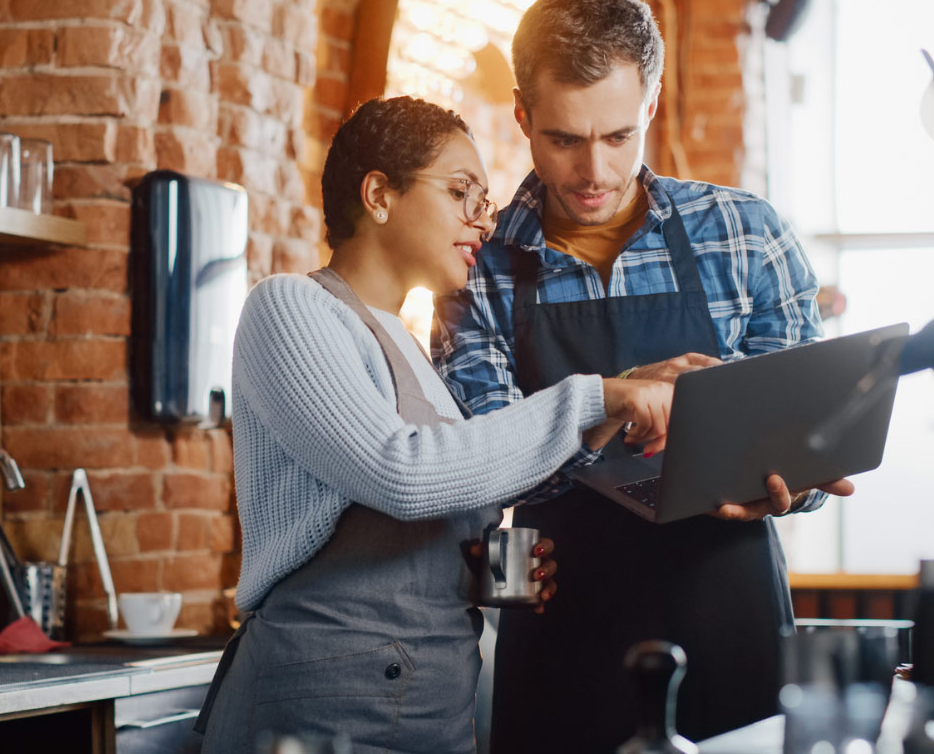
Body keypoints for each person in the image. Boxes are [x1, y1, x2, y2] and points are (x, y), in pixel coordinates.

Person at [434, 0, 857, 749]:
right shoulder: (478, 265)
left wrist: (792, 486)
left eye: (618, 136)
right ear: (523, 115)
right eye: (563, 138)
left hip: (731, 617)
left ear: (652, 104)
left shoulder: (746, 234)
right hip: (565, 632)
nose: (593, 170)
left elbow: (803, 445)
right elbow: (479, 463)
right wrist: (612, 405)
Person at [195, 96, 675, 754]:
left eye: (484, 198)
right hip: (324, 710)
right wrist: (596, 399)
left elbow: (431, 499)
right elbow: (403, 472)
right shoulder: (290, 307)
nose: (482, 219)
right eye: (460, 193)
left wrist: (484, 570)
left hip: (430, 709)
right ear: (379, 195)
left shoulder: (411, 351)